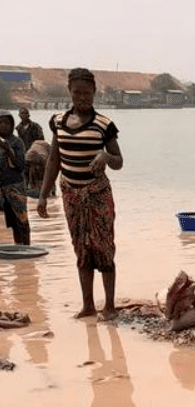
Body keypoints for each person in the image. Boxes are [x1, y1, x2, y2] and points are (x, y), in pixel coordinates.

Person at [37, 68, 123, 319]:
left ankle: (109, 306)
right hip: (71, 196)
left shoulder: (104, 125)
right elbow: (54, 160)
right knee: (81, 249)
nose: (82, 98)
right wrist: (43, 194)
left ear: (94, 92)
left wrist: (106, 156)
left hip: (98, 195)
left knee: (104, 248)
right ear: (70, 92)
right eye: (77, 93)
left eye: (87, 93)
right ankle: (87, 305)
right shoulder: (58, 122)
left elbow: (119, 161)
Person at [0, 110, 31, 245]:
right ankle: (19, 250)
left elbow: (20, 165)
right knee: (12, 222)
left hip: (16, 186)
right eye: (0, 123)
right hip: (2, 187)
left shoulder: (17, 142)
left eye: (7, 123)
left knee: (22, 221)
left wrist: (8, 150)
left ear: (12, 124)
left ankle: (27, 249)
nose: (3, 125)